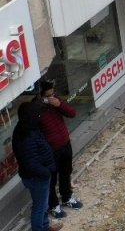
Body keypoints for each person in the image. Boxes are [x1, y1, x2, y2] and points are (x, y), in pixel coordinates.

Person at [36, 80, 81, 220]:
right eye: (48, 95)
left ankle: (67, 196)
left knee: (66, 172)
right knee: (52, 178)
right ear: (40, 95)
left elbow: (72, 113)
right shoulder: (36, 109)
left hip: (65, 144)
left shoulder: (56, 102)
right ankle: (53, 205)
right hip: (51, 150)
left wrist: (59, 104)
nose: (51, 97)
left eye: (53, 94)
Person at [13, 102, 61, 231]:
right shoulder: (26, 136)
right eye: (37, 114)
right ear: (31, 116)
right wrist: (46, 173)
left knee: (43, 205)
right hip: (37, 178)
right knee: (39, 208)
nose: (39, 116)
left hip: (38, 176)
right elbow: (31, 163)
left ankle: (45, 226)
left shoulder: (27, 128)